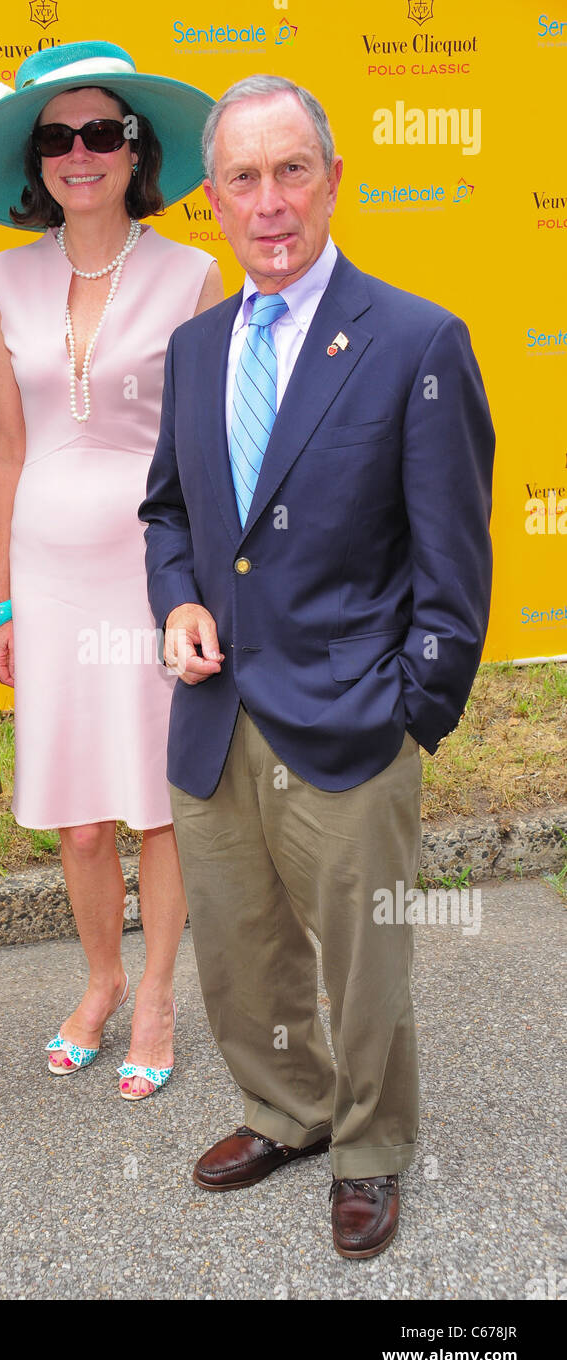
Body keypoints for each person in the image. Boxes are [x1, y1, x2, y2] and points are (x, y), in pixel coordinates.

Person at [140, 76, 494, 1253]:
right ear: (213, 202)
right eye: (240, 178)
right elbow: (168, 515)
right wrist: (178, 599)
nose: (269, 201)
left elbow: (452, 561)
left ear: (333, 180)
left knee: (362, 959)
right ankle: (286, 1108)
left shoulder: (415, 340)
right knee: (239, 946)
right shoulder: (195, 348)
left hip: (353, 718)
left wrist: (411, 715)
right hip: (212, 711)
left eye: (291, 170)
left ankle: (370, 1144)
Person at [0, 41, 223, 1098]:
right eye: (57, 136)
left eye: (100, 131)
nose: (79, 152)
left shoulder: (191, 273)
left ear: (133, 147)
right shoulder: (3, 280)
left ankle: (156, 994)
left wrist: (195, 589)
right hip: (50, 582)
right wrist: (4, 599)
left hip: (151, 572)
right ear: (36, 157)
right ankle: (99, 979)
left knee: (154, 800)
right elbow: (7, 451)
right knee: (75, 812)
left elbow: (204, 457)